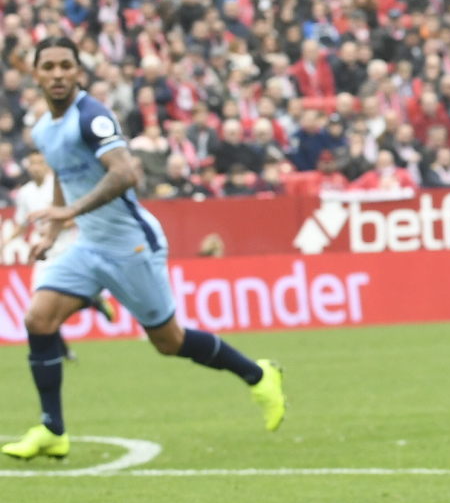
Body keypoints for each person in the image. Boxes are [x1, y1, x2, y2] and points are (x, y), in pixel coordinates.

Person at [2, 38, 288, 462]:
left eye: (66, 65)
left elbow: (125, 174)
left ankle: (257, 374)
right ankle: (52, 429)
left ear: (78, 72)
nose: (58, 74)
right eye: (49, 67)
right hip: (89, 245)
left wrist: (71, 211)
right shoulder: (44, 128)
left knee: (169, 342)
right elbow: (64, 171)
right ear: (37, 74)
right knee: (38, 319)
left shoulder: (92, 116)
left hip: (131, 245)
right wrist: (55, 227)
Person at [10, 150, 117, 359]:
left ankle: (92, 300)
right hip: (44, 255)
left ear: (48, 165)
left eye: (40, 163)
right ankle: (64, 350)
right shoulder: (25, 193)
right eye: (32, 164)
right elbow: (22, 223)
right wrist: (6, 240)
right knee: (38, 308)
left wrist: (56, 226)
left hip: (68, 251)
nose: (36, 167)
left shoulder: (59, 186)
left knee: (55, 304)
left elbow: (78, 215)